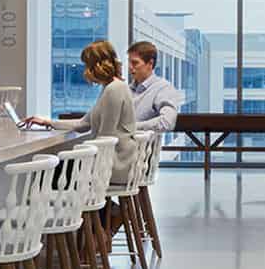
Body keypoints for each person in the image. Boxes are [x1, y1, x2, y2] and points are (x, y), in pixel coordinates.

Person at [22, 40, 138, 185]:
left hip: (114, 167)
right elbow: (83, 124)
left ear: (96, 65)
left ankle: (89, 207)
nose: (85, 70)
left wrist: (80, 153)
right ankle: (97, 208)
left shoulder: (114, 89)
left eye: (86, 65)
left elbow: (105, 137)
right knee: (52, 171)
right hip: (112, 163)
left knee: (42, 175)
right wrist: (47, 122)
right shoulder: (110, 87)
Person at [126, 40, 183, 135]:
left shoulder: (163, 88)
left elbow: (167, 122)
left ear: (150, 63)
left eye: (135, 63)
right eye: (129, 62)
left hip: (142, 147)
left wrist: (133, 127)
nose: (130, 67)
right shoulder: (127, 89)